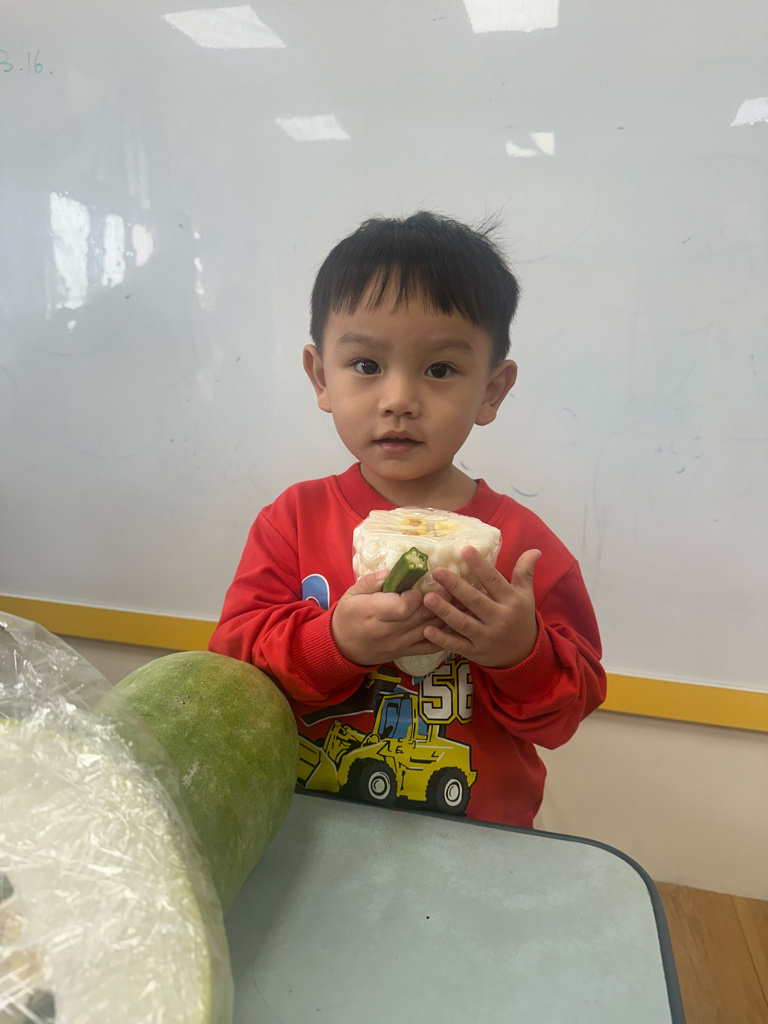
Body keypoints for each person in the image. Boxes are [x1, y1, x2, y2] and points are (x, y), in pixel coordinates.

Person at [208, 211, 606, 828]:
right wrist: (333, 643)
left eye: (440, 369)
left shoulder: (524, 549)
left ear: (492, 390)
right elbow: (231, 676)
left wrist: (519, 652)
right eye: (366, 365)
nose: (398, 400)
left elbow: (565, 715)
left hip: (476, 842)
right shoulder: (292, 521)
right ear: (321, 377)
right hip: (313, 829)